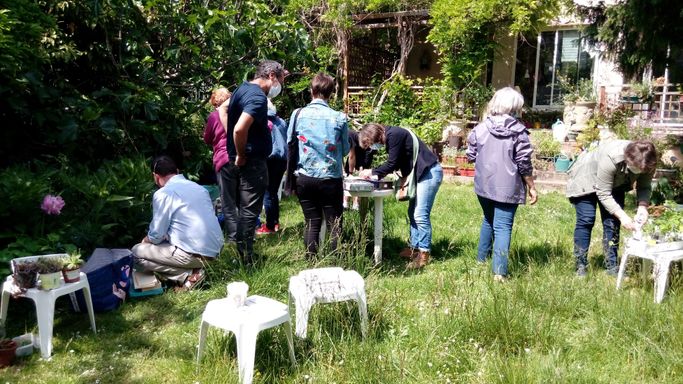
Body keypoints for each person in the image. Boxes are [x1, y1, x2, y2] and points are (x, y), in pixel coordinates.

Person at [466, 87, 538, 281]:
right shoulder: (518, 131)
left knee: (488, 220)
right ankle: (499, 273)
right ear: (515, 107)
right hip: (507, 187)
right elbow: (524, 163)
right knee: (503, 226)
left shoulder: (480, 128)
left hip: (484, 184)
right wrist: (531, 186)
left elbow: (470, 155)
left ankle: (481, 261)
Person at [219, 60, 286, 264]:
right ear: (272, 76)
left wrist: (233, 144)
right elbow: (239, 128)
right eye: (281, 79)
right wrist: (240, 152)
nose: (281, 86)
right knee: (249, 211)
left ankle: (239, 251)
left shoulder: (242, 88)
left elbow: (224, 110)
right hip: (251, 162)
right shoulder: (258, 97)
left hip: (239, 160)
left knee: (241, 209)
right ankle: (245, 258)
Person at [132, 155, 224, 291]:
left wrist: (145, 241)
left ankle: (188, 275)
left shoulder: (163, 194)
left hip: (193, 254)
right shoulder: (199, 188)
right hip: (216, 249)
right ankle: (195, 270)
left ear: (155, 176)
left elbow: (156, 235)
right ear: (177, 170)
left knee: (136, 252)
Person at [566, 139, 657, 276]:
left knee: (612, 223)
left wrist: (642, 207)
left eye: (641, 170)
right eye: (635, 167)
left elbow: (644, 186)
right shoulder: (612, 156)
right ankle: (580, 264)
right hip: (587, 177)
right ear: (627, 158)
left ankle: (612, 266)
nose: (638, 171)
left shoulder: (648, 161)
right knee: (586, 219)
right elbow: (603, 193)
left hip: (616, 181)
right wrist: (623, 216)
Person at [358, 123, 442, 269]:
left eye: (371, 144)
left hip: (429, 174)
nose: (373, 147)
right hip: (420, 175)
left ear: (374, 136)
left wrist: (372, 172)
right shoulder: (391, 135)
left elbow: (392, 163)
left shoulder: (394, 135)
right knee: (412, 212)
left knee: (420, 214)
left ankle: (423, 254)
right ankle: (414, 248)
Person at [287, 72, 349, 256]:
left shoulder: (298, 114)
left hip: (305, 178)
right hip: (331, 179)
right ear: (331, 93)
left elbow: (290, 143)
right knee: (334, 224)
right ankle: (336, 262)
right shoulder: (339, 117)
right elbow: (345, 149)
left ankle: (311, 264)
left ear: (312, 90)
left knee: (312, 222)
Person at [202, 87, 237, 241]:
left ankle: (233, 237)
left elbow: (208, 138)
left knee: (228, 202)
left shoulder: (214, 116)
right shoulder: (238, 113)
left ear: (215, 102)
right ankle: (248, 233)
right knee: (242, 199)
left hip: (223, 159)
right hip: (241, 156)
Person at [256, 99, 288, 235]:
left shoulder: (261, 122)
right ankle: (275, 222)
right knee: (274, 191)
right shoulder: (281, 122)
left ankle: (269, 226)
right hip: (282, 159)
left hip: (268, 159)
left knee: (267, 193)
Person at [344, 129, 376, 210]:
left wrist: (351, 173)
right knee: (348, 176)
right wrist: (348, 173)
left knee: (362, 177)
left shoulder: (348, 135)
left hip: (366, 150)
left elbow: (352, 156)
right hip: (358, 147)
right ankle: (345, 203)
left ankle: (357, 203)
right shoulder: (343, 136)